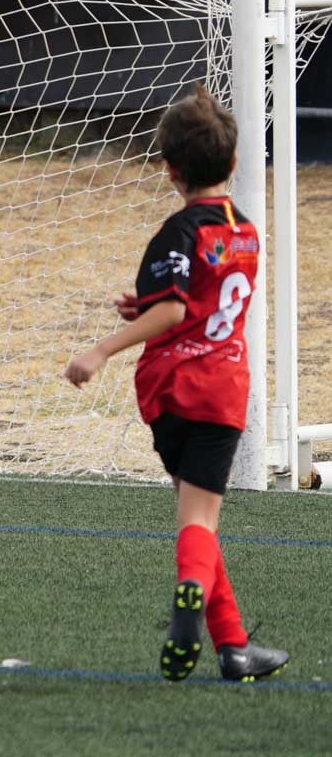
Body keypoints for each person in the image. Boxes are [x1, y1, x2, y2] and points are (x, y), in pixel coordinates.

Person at [65, 85, 287, 682]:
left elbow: (176, 309)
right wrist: (147, 312)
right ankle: (194, 601)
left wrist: (104, 346)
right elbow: (194, 302)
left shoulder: (176, 232)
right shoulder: (245, 232)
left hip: (169, 394)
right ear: (236, 163)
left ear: (168, 170)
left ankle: (233, 646)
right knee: (200, 522)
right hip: (218, 393)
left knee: (197, 519)